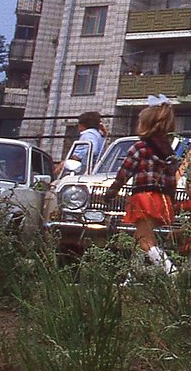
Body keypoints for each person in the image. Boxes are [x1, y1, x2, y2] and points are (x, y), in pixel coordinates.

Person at [103, 101, 178, 275]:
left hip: (144, 198)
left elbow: (125, 172)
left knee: (145, 241)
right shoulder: (169, 152)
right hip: (162, 199)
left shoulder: (140, 148)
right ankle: (132, 277)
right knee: (140, 239)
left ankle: (172, 272)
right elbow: (172, 180)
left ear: (145, 124)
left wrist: (112, 191)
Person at [60, 111, 107, 176]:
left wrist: (65, 163)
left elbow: (89, 152)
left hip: (84, 172)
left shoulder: (87, 135)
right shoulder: (99, 135)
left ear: (82, 124)